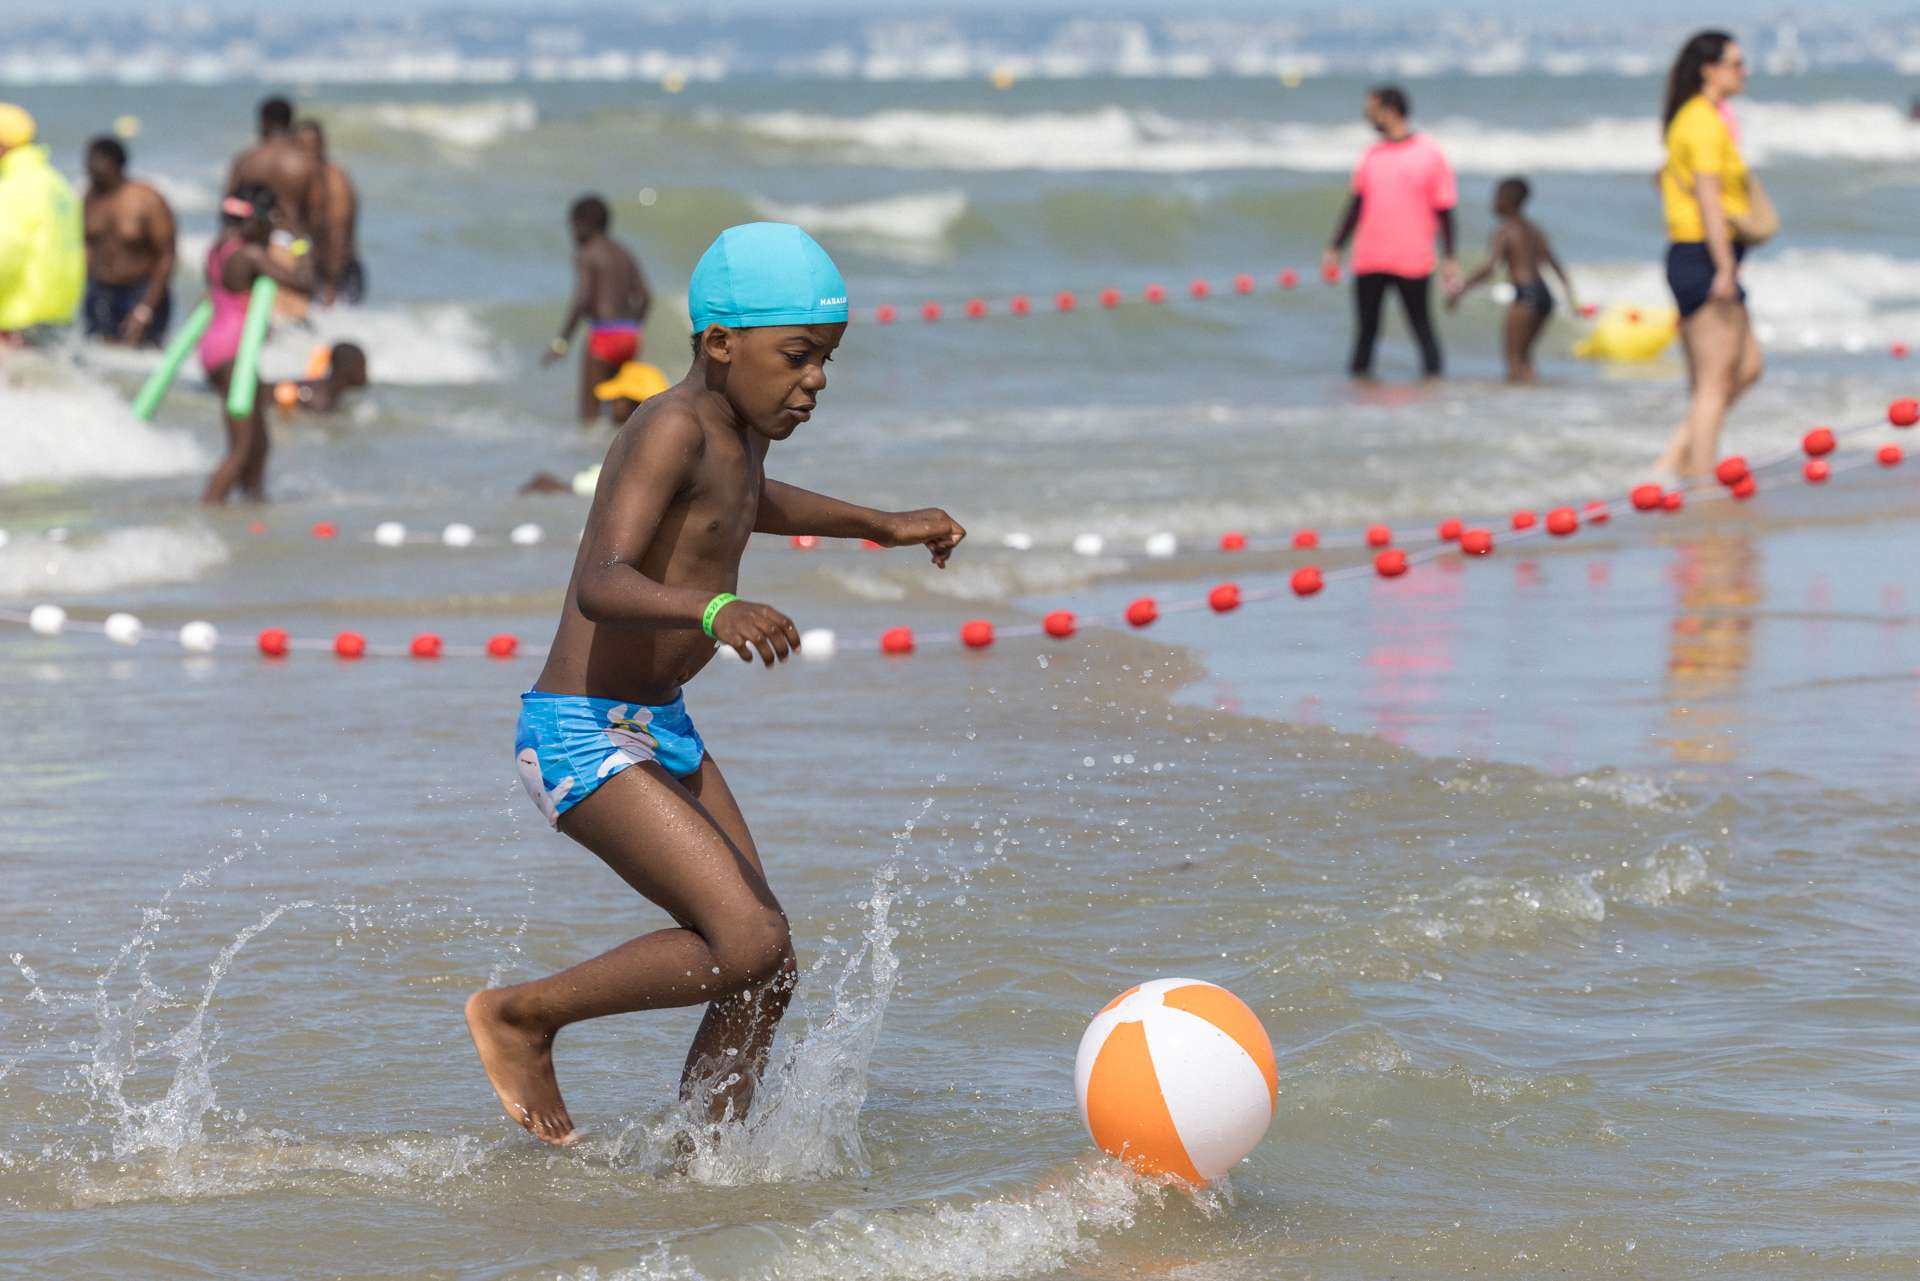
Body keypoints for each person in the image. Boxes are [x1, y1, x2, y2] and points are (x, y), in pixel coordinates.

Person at [467, 222, 966, 1147]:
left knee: (766, 967)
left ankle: (705, 1161)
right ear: (720, 343)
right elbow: (601, 579)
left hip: (657, 725)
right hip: (578, 729)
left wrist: (880, 523)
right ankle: (523, 1016)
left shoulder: (736, 433)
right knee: (749, 940)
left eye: (826, 360)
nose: (814, 380)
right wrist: (710, 611)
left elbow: (748, 504)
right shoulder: (666, 428)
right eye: (798, 356)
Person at [1651, 31, 1764, 479]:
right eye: (1736, 64)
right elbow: (1709, 201)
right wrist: (1724, 267)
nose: (1744, 72)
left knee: (1749, 366)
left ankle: (1673, 460)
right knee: (1713, 383)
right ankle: (1699, 482)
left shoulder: (1709, 119)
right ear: (1709, 69)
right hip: (1702, 258)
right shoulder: (1698, 122)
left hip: (1706, 254)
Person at [1322, 85, 1460, 379]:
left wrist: (1450, 257)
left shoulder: (1429, 153)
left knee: (1421, 328)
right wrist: (1335, 247)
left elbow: (1444, 208)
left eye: (1371, 110)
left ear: (1390, 110)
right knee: (1366, 333)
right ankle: (1358, 402)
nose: (1367, 116)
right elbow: (1356, 206)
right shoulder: (1371, 155)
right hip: (1370, 258)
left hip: (1413, 259)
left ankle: (1435, 394)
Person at [200, 185, 312, 504]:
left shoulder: (216, 250)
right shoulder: (250, 254)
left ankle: (253, 504)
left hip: (220, 349)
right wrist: (300, 242)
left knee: (259, 443)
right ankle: (209, 509)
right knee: (241, 448)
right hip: (234, 353)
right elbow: (303, 284)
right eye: (272, 219)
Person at [1446, 178, 1578, 383]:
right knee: (1525, 356)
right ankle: (1533, 399)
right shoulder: (1534, 229)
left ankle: (1519, 405)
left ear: (1507, 200)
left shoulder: (1505, 231)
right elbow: (1555, 265)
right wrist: (1571, 298)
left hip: (1526, 295)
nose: (1493, 202)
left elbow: (1490, 269)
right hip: (1545, 296)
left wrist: (1462, 288)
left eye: (1496, 197)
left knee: (1513, 359)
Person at [541, 194, 651, 423]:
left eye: (573, 227)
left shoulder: (587, 254)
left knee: (590, 414)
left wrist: (561, 342)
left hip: (604, 335)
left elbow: (582, 299)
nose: (572, 234)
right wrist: (633, 328)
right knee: (620, 408)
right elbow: (645, 296)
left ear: (583, 224)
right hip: (628, 335)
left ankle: (590, 455)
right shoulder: (623, 252)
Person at [0, 103, 84, 341]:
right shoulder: (58, 184)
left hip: (17, 320)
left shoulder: (13, 187)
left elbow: (5, 251)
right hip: (59, 316)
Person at [81, 136, 176, 347]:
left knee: (142, 355)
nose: (87, 167)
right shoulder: (90, 197)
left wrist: (145, 308)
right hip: (101, 290)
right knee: (98, 358)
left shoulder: (146, 200)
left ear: (113, 163)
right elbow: (87, 246)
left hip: (140, 291)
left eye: (93, 161)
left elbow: (167, 255)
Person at [295, 119, 363, 306]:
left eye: (311, 147)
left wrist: (331, 285)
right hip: (316, 270)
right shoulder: (306, 180)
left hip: (337, 272)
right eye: (301, 148)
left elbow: (338, 234)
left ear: (321, 146)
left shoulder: (334, 181)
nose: (306, 154)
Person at [272, 341, 368, 414]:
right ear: (348, 368)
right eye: (361, 366)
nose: (365, 373)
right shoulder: (315, 398)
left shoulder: (329, 393)